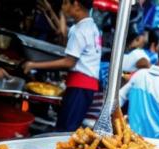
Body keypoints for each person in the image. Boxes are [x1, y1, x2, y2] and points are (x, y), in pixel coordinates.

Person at [23, 0, 101, 132]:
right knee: (68, 129)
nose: (63, 6)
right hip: (86, 86)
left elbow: (69, 62)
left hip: (80, 86)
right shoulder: (91, 26)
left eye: (65, 3)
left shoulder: (80, 30)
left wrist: (33, 64)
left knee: (64, 131)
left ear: (76, 4)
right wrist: (55, 14)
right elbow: (63, 35)